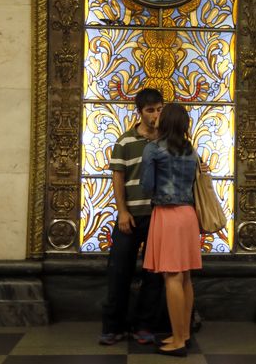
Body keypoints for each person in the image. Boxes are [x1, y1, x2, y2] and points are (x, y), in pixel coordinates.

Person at [100, 88, 165, 346]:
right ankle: (113, 327)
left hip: (159, 216)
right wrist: (122, 211)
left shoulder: (168, 140)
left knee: (154, 274)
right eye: (150, 110)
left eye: (159, 109)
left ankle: (144, 326)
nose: (155, 114)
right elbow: (118, 178)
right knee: (119, 271)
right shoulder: (125, 141)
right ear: (139, 112)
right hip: (130, 216)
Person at [140, 103, 202, 357]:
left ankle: (177, 341)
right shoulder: (191, 150)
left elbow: (146, 185)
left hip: (167, 215)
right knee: (185, 277)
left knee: (172, 277)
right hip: (188, 215)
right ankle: (184, 334)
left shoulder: (153, 149)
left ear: (165, 122)